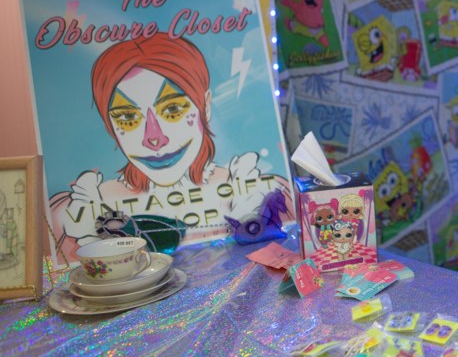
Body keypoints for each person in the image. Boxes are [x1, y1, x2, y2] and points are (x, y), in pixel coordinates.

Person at [50, 33, 289, 261]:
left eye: (173, 110)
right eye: (127, 117)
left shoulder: (262, 193)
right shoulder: (76, 213)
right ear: (109, 125)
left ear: (205, 106)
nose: (154, 138)